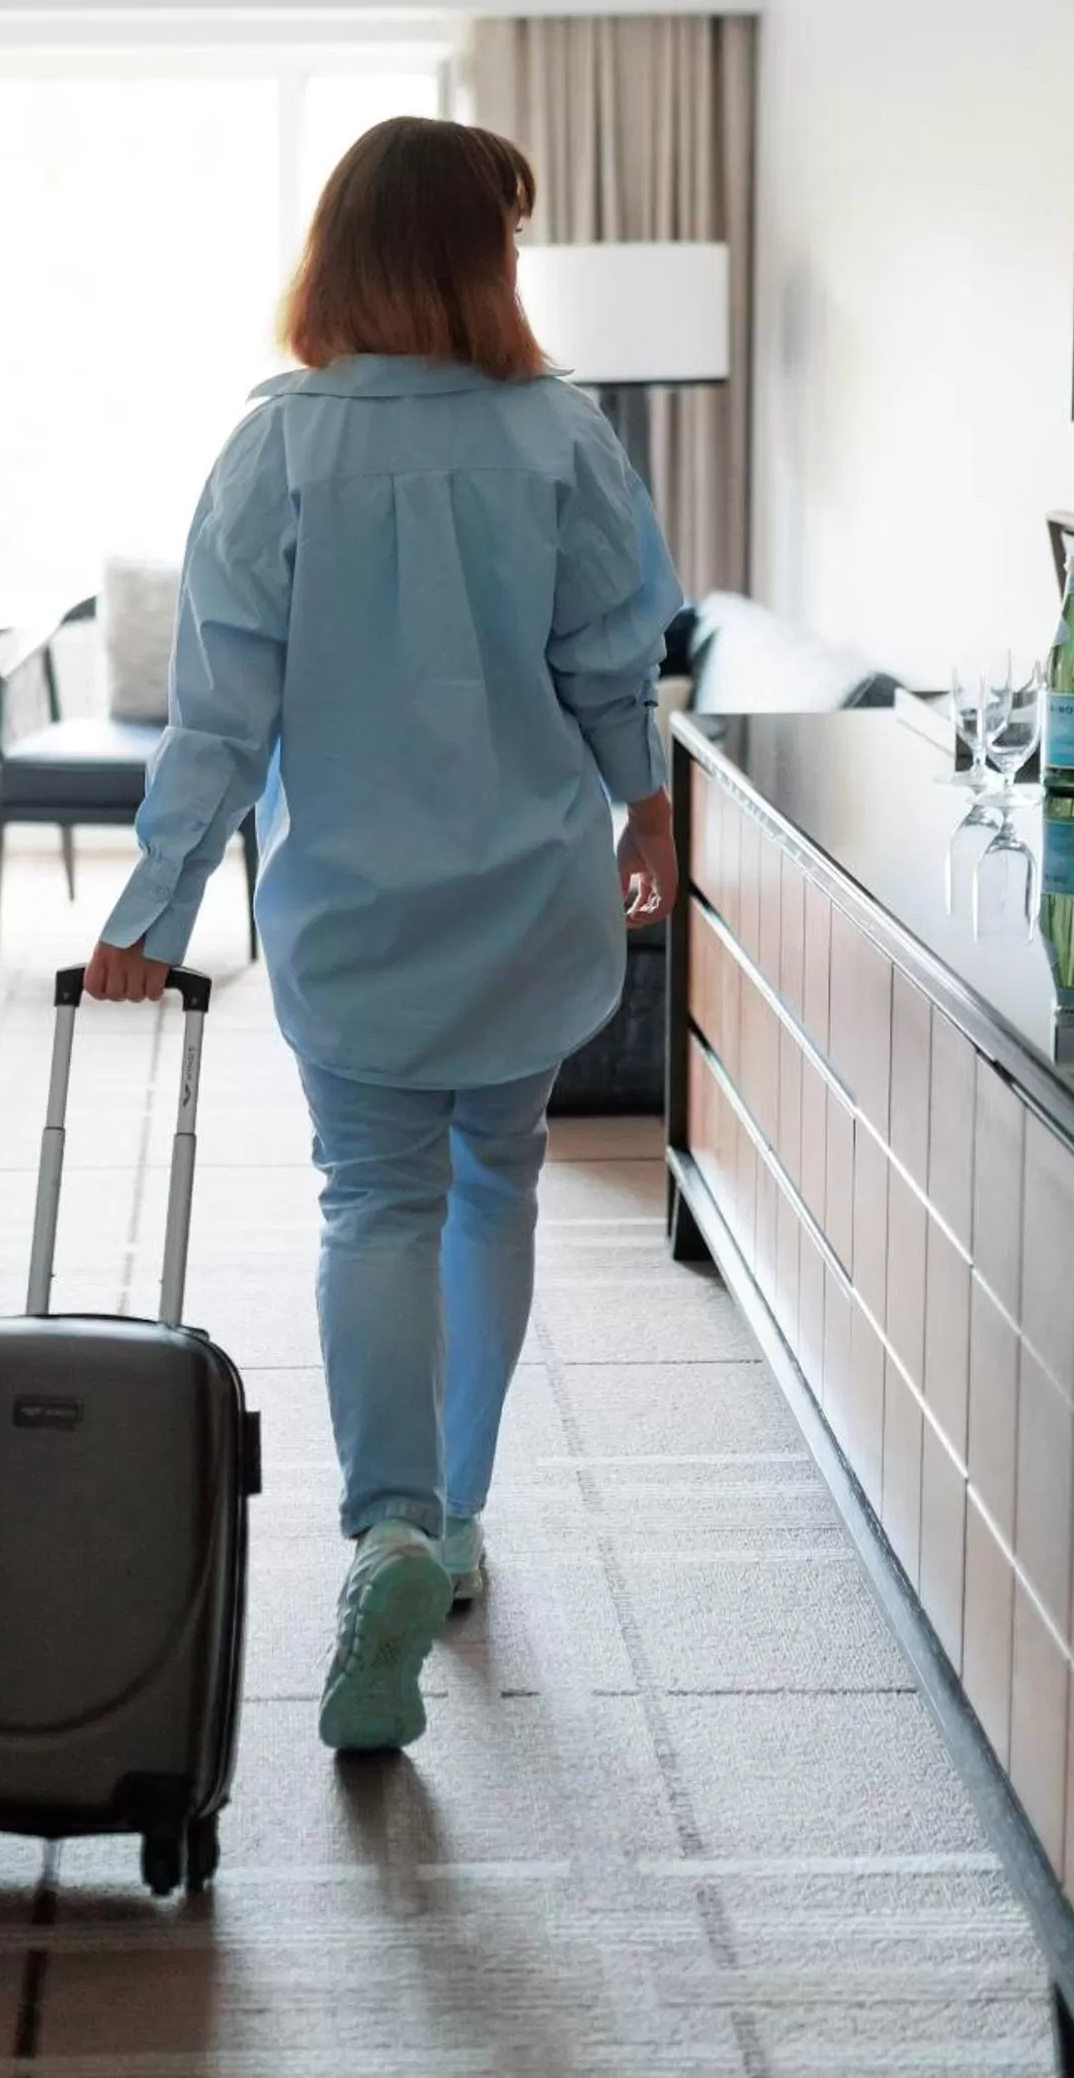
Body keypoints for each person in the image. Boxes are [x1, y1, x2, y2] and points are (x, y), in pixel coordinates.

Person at [86, 117, 683, 1752]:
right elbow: (609, 665)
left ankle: (391, 1529)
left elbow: (218, 715)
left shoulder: (272, 449)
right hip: (529, 896)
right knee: (497, 1186)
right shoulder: (562, 434)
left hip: (350, 903)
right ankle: (461, 1518)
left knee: (372, 1203)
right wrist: (645, 815)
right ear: (483, 257)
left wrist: (151, 911)